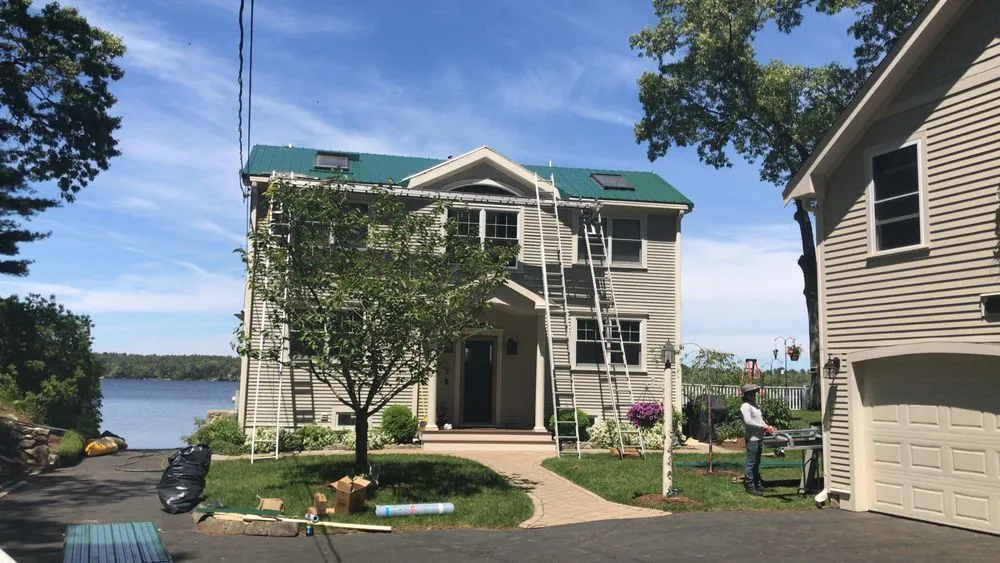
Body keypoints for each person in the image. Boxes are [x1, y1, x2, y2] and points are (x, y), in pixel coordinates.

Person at [740, 383, 776, 496]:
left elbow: (760, 420)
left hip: (759, 438)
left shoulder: (754, 405)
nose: (754, 395)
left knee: (757, 462)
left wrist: (768, 426)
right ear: (746, 395)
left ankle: (757, 483)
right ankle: (750, 486)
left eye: (754, 393)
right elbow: (748, 421)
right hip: (752, 439)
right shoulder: (746, 406)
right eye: (751, 393)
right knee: (751, 463)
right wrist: (763, 427)